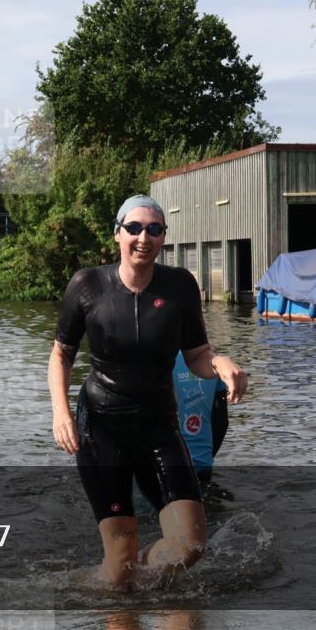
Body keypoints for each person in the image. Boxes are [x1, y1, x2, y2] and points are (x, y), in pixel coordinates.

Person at [48, 194, 247, 587]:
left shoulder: (180, 287)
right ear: (117, 235)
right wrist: (61, 412)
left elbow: (197, 356)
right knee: (119, 564)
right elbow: (60, 355)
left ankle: (135, 578)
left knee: (190, 545)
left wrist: (220, 363)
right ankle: (117, 582)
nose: (144, 237)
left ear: (163, 237)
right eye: (134, 228)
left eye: (154, 229)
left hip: (159, 425)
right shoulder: (87, 285)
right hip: (102, 429)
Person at [172, 351, 228, 483]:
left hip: (163, 467)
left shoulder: (150, 362)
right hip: (202, 464)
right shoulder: (214, 362)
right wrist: (206, 456)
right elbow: (221, 423)